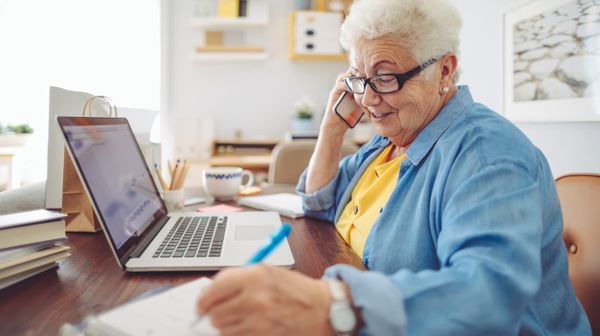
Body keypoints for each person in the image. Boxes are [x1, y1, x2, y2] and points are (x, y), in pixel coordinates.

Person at [197, 0, 592, 334]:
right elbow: (317, 201)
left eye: (385, 78)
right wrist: (331, 128)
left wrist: (333, 302)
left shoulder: (486, 153)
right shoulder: (389, 142)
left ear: (444, 70)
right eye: (359, 79)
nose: (368, 99)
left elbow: (490, 294)